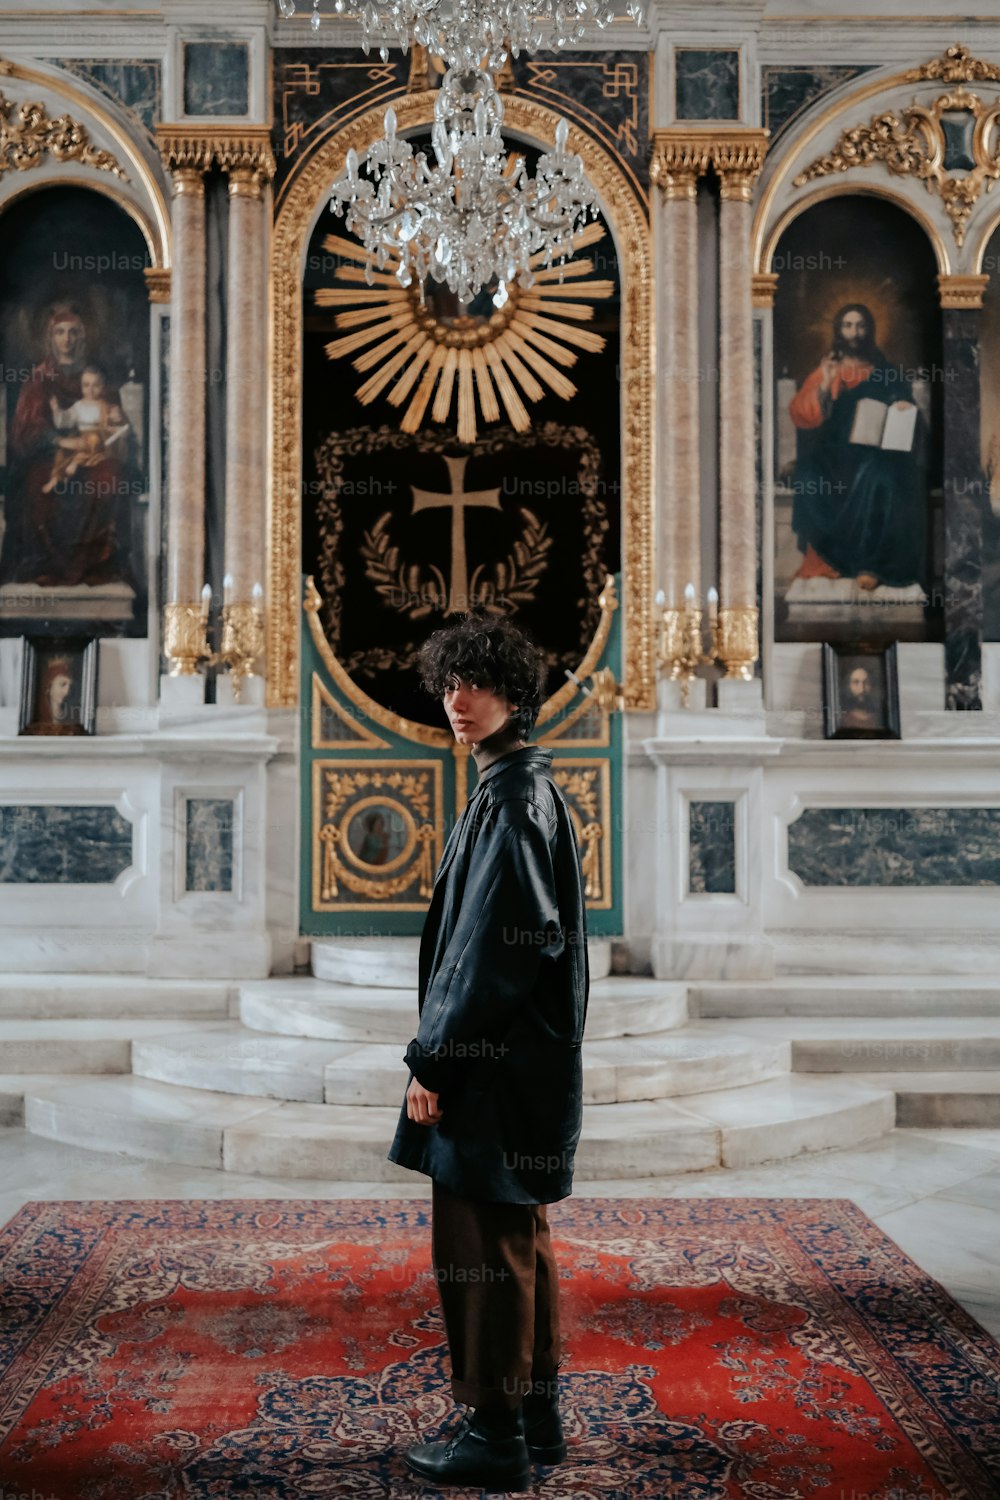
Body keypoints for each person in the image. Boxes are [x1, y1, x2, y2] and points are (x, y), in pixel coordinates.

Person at [387, 609, 589, 1492]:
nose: (456, 699)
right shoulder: (516, 786)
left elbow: (497, 950)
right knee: (519, 1234)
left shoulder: (512, 798)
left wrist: (436, 1061)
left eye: (476, 682)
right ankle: (535, 1412)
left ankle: (494, 1432)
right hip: (520, 1060)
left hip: (494, 1063)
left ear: (516, 693)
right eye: (447, 683)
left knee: (485, 1243)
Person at [787, 302, 926, 592]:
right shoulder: (829, 368)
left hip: (880, 451)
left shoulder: (886, 372)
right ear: (839, 330)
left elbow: (910, 413)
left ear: (870, 330)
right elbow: (804, 415)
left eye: (861, 325)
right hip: (837, 451)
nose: (855, 332)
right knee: (810, 472)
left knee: (882, 474)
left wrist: (903, 407)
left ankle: (873, 563)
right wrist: (826, 382)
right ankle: (829, 561)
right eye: (848, 325)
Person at [42, 365, 129, 494]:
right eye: (86, 385)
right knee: (62, 453)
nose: (90, 390)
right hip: (81, 440)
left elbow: (116, 423)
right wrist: (56, 410)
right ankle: (56, 477)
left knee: (93, 438)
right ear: (81, 386)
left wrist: (116, 417)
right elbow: (64, 421)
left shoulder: (106, 406)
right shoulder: (79, 406)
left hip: (99, 441)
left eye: (96, 385)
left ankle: (76, 463)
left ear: (103, 387)